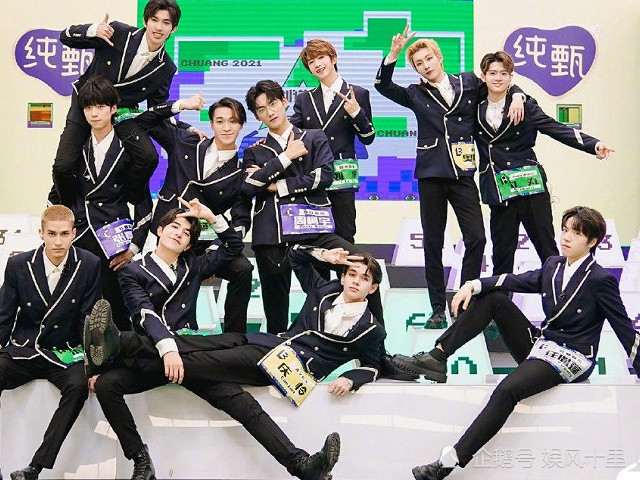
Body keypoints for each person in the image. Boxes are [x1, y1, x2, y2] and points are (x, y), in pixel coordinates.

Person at [85, 239, 387, 479]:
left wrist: (352, 378)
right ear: (343, 275)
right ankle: (301, 465)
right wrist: (326, 256)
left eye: (363, 279)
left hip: (287, 367)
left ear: (373, 288)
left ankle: (121, 344)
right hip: (266, 342)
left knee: (194, 359)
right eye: (351, 274)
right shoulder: (324, 290)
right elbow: (295, 256)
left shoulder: (372, 329)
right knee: (195, 348)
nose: (355, 281)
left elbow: (374, 365)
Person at [388, 206, 640, 479]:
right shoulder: (554, 265)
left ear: (592, 242)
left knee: (507, 389)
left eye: (576, 233)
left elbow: (623, 327)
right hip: (543, 344)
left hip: (572, 356)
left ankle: (446, 464)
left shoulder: (601, 279)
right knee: (494, 299)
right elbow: (514, 280)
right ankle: (437, 357)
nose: (566, 237)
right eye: (565, 230)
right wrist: (472, 284)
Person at [374, 26, 525, 329]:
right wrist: (393, 54)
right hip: (430, 174)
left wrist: (518, 94)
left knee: (477, 237)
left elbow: (498, 83)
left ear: (440, 57)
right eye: (419, 63)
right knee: (433, 242)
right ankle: (437, 308)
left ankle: (465, 301)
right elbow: (383, 86)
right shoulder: (415, 93)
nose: (426, 65)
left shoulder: (468, 81)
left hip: (462, 173)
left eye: (429, 59)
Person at [85, 198, 245, 479]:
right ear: (160, 230)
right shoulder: (132, 271)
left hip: (188, 353)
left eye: (186, 233)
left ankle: (299, 462)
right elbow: (144, 313)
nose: (179, 233)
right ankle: (141, 460)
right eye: (174, 226)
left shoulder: (194, 266)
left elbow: (233, 247)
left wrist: (210, 216)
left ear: (188, 245)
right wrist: (167, 348)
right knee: (107, 385)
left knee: (235, 396)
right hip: (152, 352)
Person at [241, 79, 384, 335]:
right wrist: (286, 157)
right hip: (272, 235)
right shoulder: (255, 150)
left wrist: (278, 185)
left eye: (273, 104)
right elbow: (249, 186)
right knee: (275, 310)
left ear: (284, 102)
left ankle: (377, 346)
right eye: (261, 109)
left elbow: (324, 176)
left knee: (364, 267)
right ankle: (275, 352)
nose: (270, 112)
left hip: (313, 228)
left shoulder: (314, 137)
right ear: (256, 116)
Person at [475, 50, 614, 275]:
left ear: (511, 77)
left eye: (503, 73)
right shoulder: (474, 104)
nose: (498, 78)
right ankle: (499, 299)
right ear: (483, 76)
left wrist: (593, 145)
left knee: (547, 250)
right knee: (501, 256)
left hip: (530, 187)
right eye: (492, 73)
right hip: (498, 190)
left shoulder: (526, 105)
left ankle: (558, 294)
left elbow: (554, 128)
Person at [51, 0, 201, 206]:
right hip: (86, 104)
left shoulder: (167, 67)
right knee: (63, 166)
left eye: (166, 23)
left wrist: (186, 128)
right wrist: (93, 30)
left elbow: (156, 109)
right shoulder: (119, 32)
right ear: (145, 21)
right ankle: (68, 208)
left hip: (120, 113)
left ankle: (125, 199)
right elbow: (65, 37)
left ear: (173, 28)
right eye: (154, 20)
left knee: (148, 157)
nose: (159, 27)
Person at [134, 94, 253, 333]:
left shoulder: (241, 173)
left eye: (233, 121)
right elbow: (144, 121)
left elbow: (241, 220)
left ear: (241, 125)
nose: (226, 127)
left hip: (203, 247)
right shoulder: (186, 142)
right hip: (165, 237)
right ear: (211, 124)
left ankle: (233, 338)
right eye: (220, 121)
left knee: (243, 268)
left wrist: (216, 248)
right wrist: (182, 106)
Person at [0, 205, 101, 480]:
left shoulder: (89, 264)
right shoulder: (18, 265)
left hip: (65, 350)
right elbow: (4, 314)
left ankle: (35, 467)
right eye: (52, 234)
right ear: (41, 233)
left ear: (73, 234)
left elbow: (89, 318)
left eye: (64, 234)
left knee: (78, 387)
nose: (58, 241)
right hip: (25, 347)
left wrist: (93, 364)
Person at [62, 76, 152, 331]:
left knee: (118, 309)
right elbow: (60, 189)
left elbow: (143, 201)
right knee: (76, 307)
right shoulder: (75, 147)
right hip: (80, 235)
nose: (94, 113)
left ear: (114, 108)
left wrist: (134, 247)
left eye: (100, 106)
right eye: (88, 107)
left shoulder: (130, 148)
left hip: (114, 239)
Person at [290, 39, 376, 243]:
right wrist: (265, 142)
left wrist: (356, 113)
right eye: (311, 62)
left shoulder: (357, 93)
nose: (317, 64)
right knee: (314, 238)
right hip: (314, 176)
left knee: (345, 235)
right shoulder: (304, 99)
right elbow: (290, 132)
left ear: (333, 58)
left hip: (343, 176)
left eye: (321, 57)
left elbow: (368, 137)